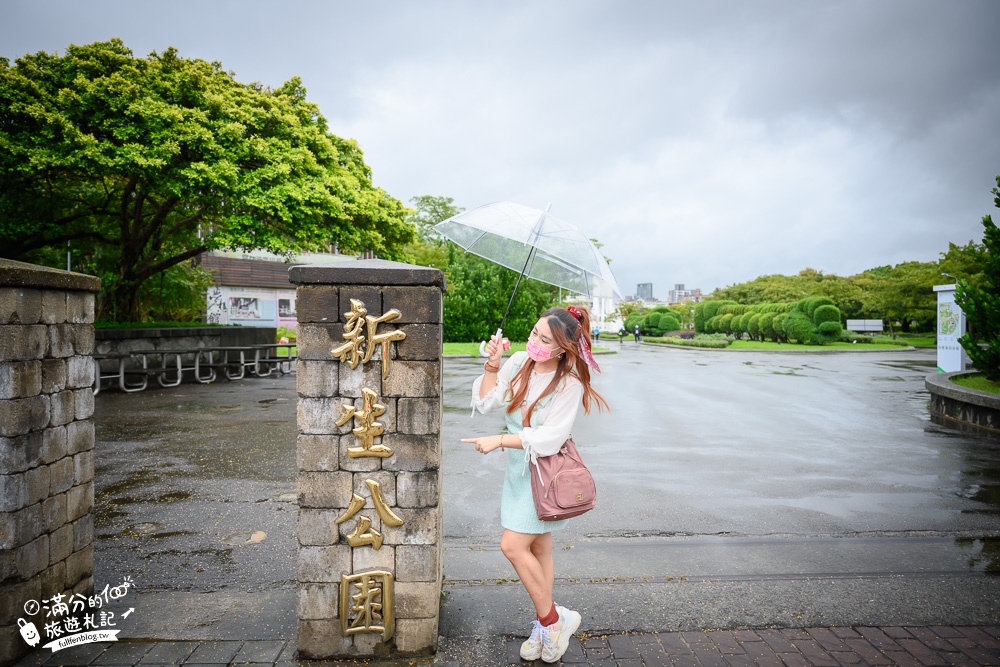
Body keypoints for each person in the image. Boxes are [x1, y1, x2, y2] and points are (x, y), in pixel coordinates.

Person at [462, 305, 608, 663]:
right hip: (518, 469)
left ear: (563, 348)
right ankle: (549, 625)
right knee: (539, 548)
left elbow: (549, 439)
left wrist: (499, 440)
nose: (535, 343)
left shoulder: (568, 384)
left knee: (513, 546)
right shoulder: (518, 363)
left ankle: (553, 621)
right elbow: (486, 402)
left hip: (544, 473)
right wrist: (494, 364)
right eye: (533, 334)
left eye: (545, 340)